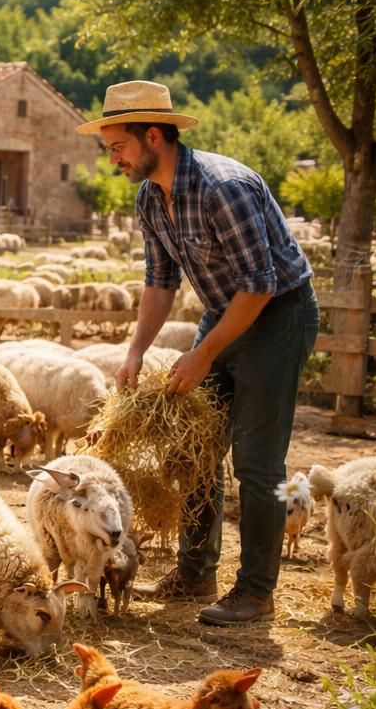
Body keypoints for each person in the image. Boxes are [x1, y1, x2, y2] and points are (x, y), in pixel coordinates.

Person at [82, 80, 319, 626]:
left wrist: (204, 355)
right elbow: (159, 280)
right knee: (192, 448)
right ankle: (196, 569)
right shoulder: (150, 198)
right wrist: (136, 350)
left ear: (154, 135)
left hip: (277, 316)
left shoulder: (222, 188)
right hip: (223, 313)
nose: (113, 158)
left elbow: (259, 284)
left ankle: (256, 591)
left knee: (258, 464)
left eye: (118, 146)